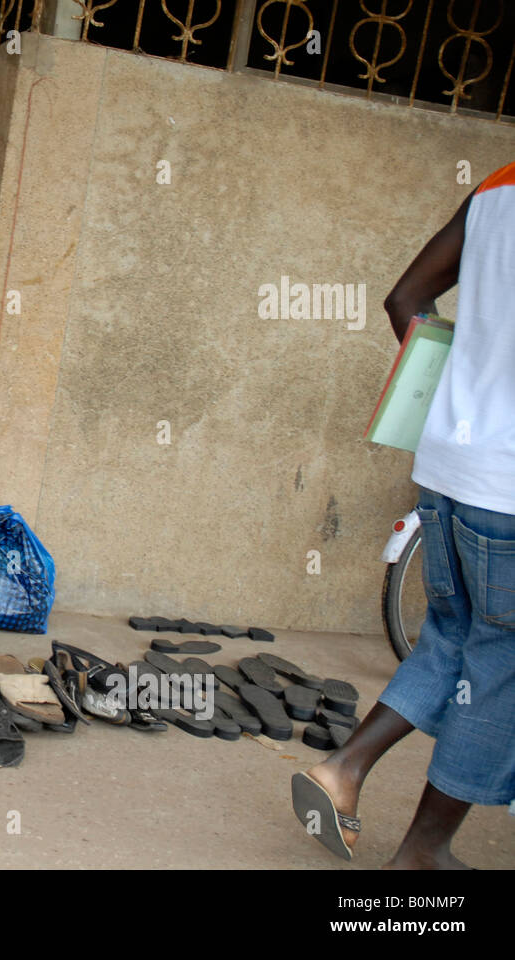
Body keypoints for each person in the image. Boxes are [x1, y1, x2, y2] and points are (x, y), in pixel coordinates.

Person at [292, 165, 515, 867]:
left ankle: (343, 769)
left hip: (448, 461)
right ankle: (424, 851)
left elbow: (406, 299)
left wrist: (459, 392)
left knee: (449, 636)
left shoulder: (496, 188)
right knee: (501, 669)